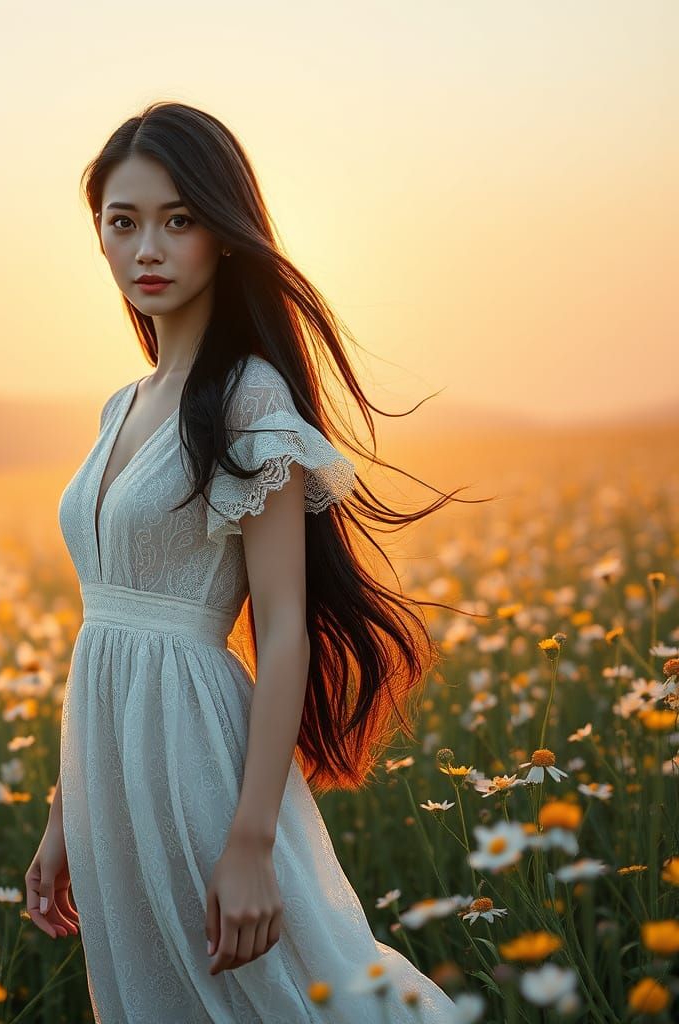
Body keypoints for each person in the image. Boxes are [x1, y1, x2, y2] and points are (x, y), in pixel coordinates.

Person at [25, 101, 473, 1023]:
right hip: (108, 761)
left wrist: (252, 842)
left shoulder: (250, 399)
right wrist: (66, 813)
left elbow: (283, 629)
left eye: (179, 220)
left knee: (286, 994)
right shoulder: (120, 405)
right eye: (123, 222)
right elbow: (109, 623)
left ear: (224, 234)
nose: (148, 249)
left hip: (194, 750)